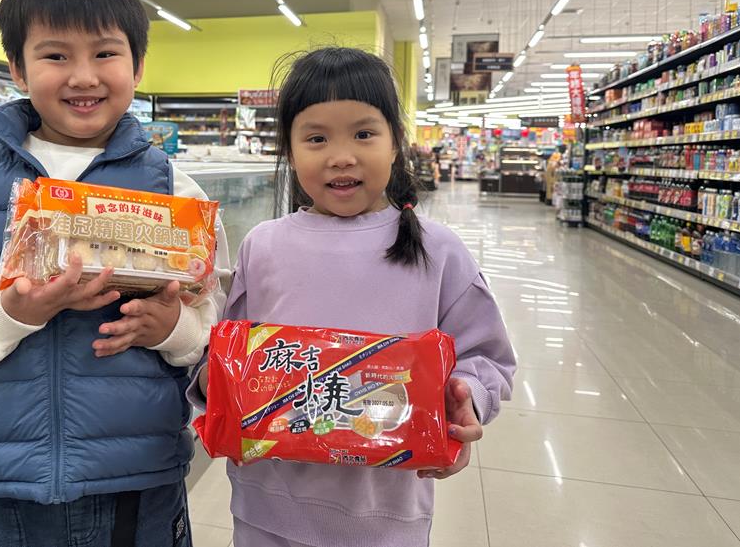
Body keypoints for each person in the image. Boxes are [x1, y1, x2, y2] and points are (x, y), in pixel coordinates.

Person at [0, 0, 229, 547]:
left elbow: (210, 307)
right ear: (18, 68)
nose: (83, 76)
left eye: (105, 53)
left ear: (138, 65)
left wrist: (175, 328)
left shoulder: (171, 187)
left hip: (135, 468)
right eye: (56, 56)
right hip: (1, 473)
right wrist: (7, 313)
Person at [191, 47, 515, 547]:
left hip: (385, 514)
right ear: (290, 150)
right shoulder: (264, 245)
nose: (341, 156)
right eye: (316, 138)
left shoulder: (437, 250)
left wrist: (466, 396)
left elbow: (487, 356)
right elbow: (231, 355)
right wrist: (213, 383)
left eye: (364, 134)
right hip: (266, 505)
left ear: (395, 143)